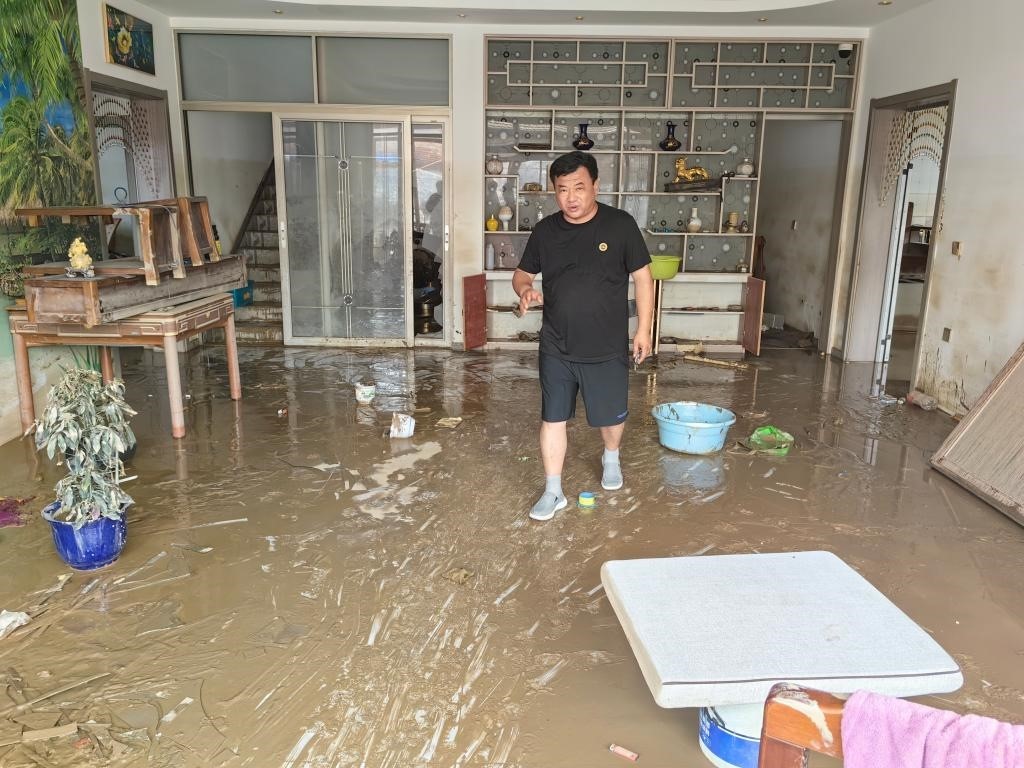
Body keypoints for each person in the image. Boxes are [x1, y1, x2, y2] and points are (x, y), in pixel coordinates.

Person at [512, 151, 654, 522]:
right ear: (554, 192)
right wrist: (525, 290)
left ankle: (611, 457)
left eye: (579, 187)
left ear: (595, 186)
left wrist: (643, 329)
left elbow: (643, 278)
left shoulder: (620, 225)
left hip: (606, 346)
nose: (571, 197)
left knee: (611, 418)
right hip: (556, 345)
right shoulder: (545, 231)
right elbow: (522, 274)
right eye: (562, 189)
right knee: (553, 417)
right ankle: (553, 490)